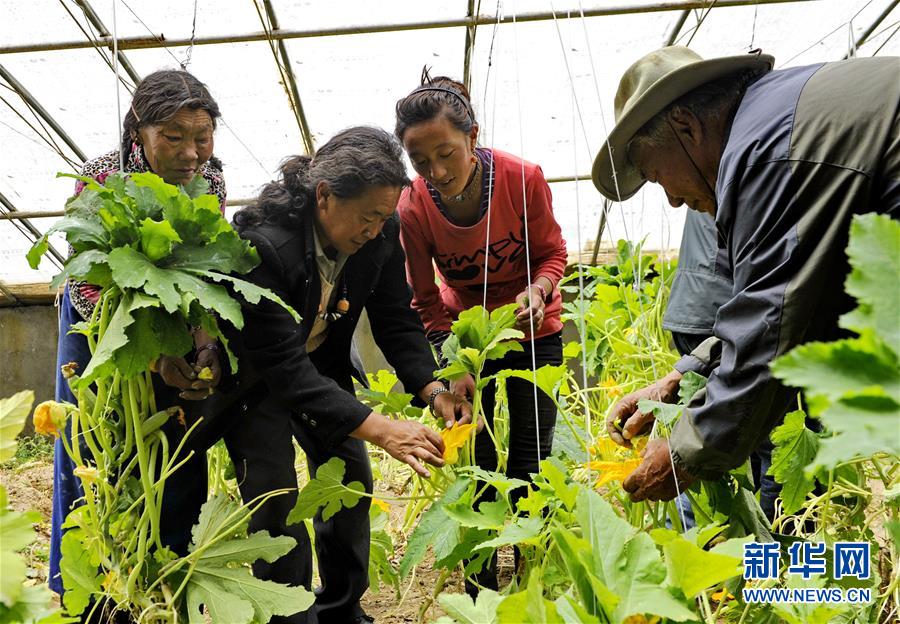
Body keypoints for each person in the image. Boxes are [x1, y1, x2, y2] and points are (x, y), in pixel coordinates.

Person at [593, 46, 899, 503]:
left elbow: (770, 329)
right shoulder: (775, 123)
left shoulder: (763, 154)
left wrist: (683, 454)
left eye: (658, 178)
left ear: (685, 126)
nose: (673, 201)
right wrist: (683, 374)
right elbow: (791, 301)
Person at [201, 126, 472, 624]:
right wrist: (382, 428)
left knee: (348, 479)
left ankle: (340, 611)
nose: (375, 230)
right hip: (257, 382)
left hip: (320, 366)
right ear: (324, 194)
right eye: (367, 217)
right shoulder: (265, 246)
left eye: (383, 218)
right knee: (275, 498)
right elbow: (282, 367)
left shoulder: (379, 235)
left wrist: (431, 387)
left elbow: (395, 315)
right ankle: (291, 617)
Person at [49, 69, 225, 596]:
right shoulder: (102, 176)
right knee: (90, 440)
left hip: (171, 314)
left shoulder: (210, 179)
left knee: (176, 436)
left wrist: (201, 340)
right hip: (97, 318)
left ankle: (167, 574)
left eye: (202, 137)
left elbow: (202, 267)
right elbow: (85, 283)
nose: (191, 153)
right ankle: (84, 584)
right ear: (138, 134)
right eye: (173, 137)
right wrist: (148, 359)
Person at [394, 72, 568, 594]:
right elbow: (425, 298)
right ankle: (481, 587)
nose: (436, 171)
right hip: (469, 341)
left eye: (446, 153)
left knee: (529, 452)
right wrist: (452, 363)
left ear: (473, 136)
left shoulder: (522, 178)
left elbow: (553, 254)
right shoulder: (413, 207)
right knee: (476, 458)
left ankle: (530, 570)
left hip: (534, 329)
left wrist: (537, 290)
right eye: (420, 161)